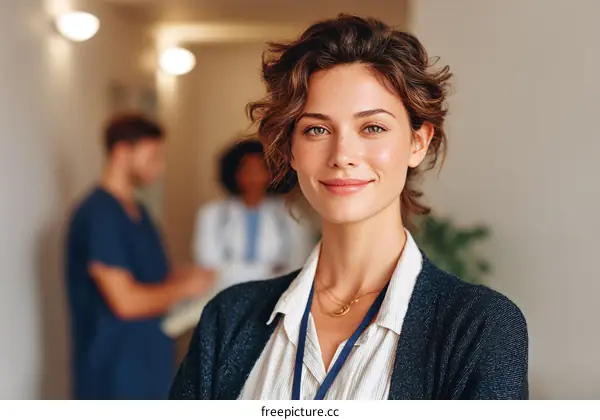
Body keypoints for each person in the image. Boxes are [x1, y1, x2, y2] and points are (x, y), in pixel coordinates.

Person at [169, 14, 529, 400]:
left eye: (372, 127)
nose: (342, 155)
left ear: (418, 142)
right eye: (316, 129)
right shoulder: (228, 317)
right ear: (291, 149)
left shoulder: (480, 326)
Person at [65, 114, 215, 399]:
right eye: (154, 155)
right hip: (113, 372)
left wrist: (189, 276)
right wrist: (185, 287)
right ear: (122, 151)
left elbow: (153, 280)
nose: (160, 166)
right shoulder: (99, 215)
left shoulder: (139, 212)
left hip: (151, 362)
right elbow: (126, 301)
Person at [192, 138, 316, 292]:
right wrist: (269, 270)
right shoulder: (211, 214)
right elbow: (208, 266)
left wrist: (234, 269)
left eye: (260, 170)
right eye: (246, 170)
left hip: (274, 295)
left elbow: (298, 264)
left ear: (272, 173)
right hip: (224, 293)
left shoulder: (290, 214)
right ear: (234, 173)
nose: (253, 177)